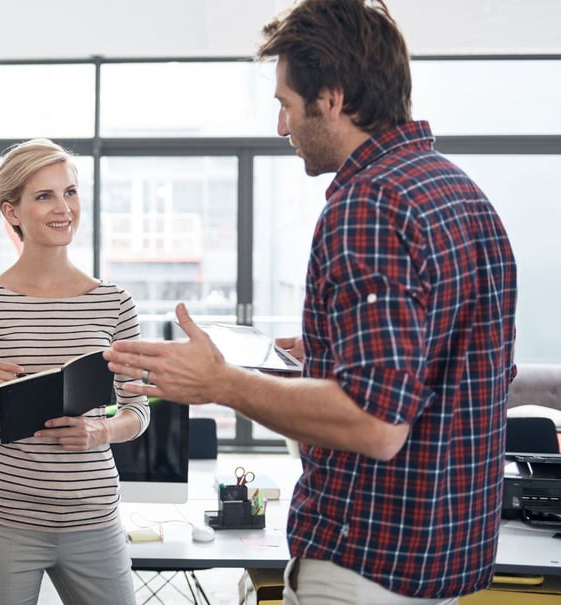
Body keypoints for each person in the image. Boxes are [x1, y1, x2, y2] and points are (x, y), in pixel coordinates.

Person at [105, 1, 518, 604]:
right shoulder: (461, 194)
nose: (281, 127)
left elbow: (375, 424)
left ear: (331, 98)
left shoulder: (368, 204)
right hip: (442, 560)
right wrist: (325, 358)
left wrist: (222, 382)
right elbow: (453, 372)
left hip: (366, 564)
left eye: (286, 104)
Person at [0, 138, 151, 605]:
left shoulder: (114, 302)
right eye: (44, 196)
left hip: (94, 518)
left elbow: (138, 412)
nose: (64, 208)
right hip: (5, 519)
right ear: (12, 211)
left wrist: (101, 431)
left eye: (70, 192)